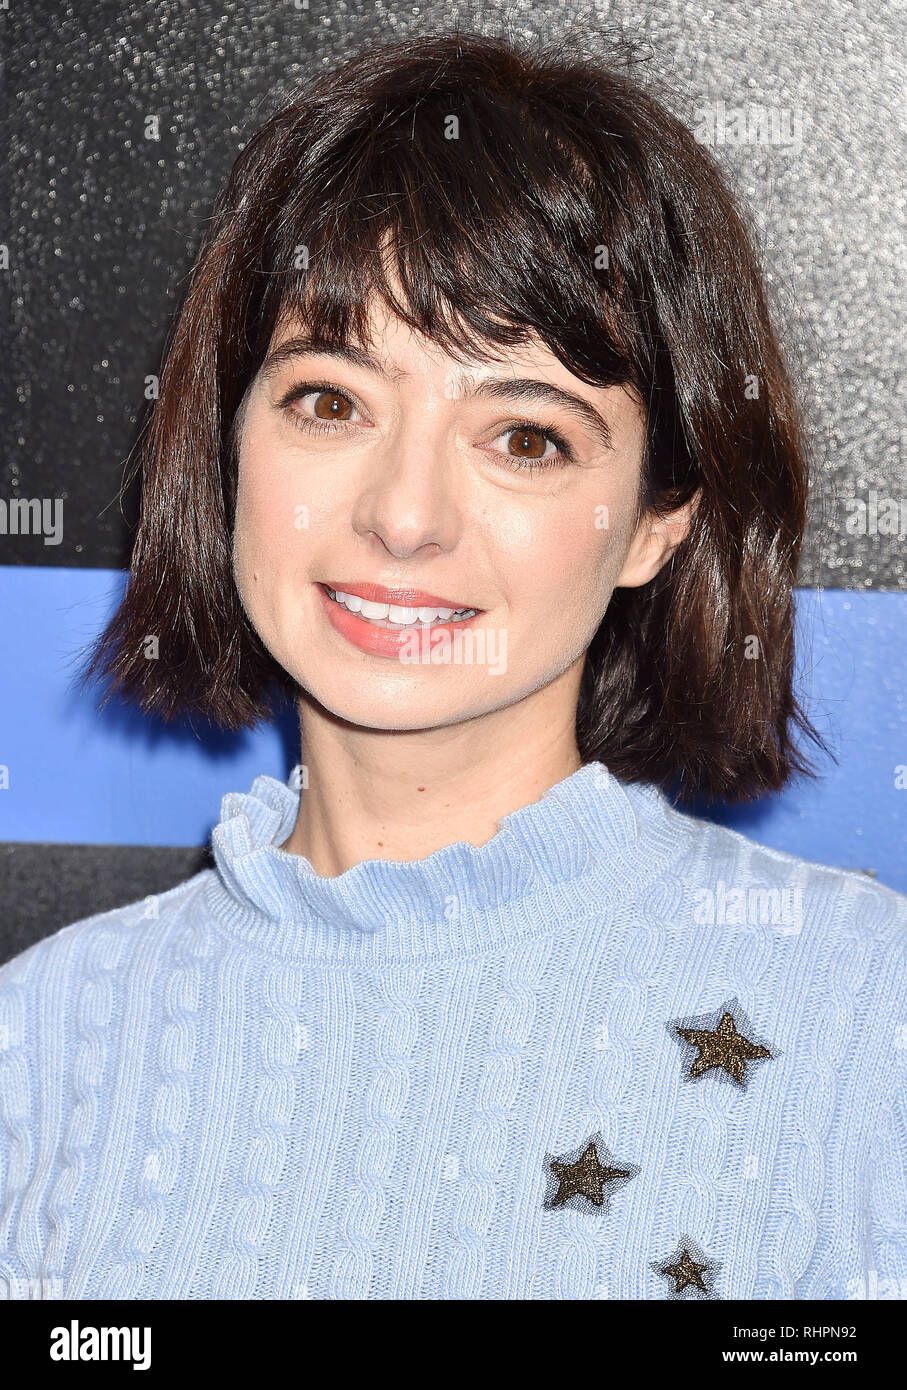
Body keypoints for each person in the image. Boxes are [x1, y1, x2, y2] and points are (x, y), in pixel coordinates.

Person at [1, 30, 904, 1302]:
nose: (405, 514)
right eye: (330, 401)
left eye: (525, 437)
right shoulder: (39, 1048)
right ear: (227, 442)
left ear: (659, 518)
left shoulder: (869, 1018)